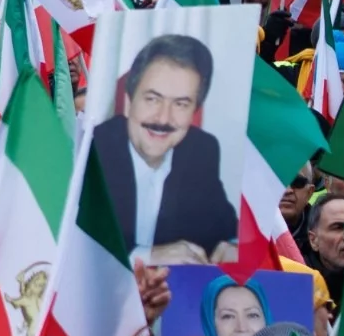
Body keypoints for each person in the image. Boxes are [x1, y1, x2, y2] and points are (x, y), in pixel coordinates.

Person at [87, 33, 239, 263]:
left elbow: (224, 225)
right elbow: (80, 246)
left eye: (180, 104)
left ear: (194, 112)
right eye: (152, 98)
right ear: (128, 103)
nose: (163, 118)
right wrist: (147, 256)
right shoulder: (94, 149)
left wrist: (232, 246)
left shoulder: (202, 150)